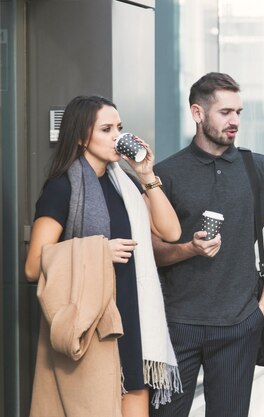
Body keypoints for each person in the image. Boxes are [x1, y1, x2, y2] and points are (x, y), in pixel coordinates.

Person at [25, 95, 182, 417]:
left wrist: (145, 174)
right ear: (82, 136)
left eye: (120, 128)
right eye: (106, 129)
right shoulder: (61, 187)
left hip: (131, 313)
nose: (118, 137)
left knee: (135, 396)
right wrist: (99, 251)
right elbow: (32, 266)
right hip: (93, 321)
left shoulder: (122, 183)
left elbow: (171, 233)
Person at [149, 72, 264, 417]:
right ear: (198, 113)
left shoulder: (258, 168)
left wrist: (262, 310)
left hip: (238, 324)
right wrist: (189, 249)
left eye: (239, 112)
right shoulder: (165, 174)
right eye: (225, 112)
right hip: (176, 326)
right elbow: (151, 251)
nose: (235, 121)